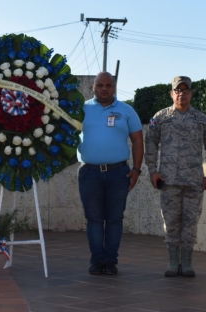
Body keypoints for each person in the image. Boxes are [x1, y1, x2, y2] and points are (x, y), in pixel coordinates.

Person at [144, 76, 206, 278]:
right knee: (170, 223)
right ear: (171, 94)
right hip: (168, 182)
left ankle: (186, 263)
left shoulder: (201, 119)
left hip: (194, 182)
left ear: (191, 93)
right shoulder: (159, 118)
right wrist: (152, 170)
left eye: (185, 90)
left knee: (190, 224)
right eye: (177, 91)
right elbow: (150, 144)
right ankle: (172, 262)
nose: (182, 94)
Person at [78, 72, 144, 275]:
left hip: (118, 173)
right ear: (93, 87)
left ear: (114, 87)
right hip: (89, 173)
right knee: (94, 219)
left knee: (115, 219)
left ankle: (111, 262)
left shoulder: (126, 110)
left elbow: (138, 141)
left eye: (108, 85)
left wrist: (136, 170)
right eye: (100, 85)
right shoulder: (82, 110)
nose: (104, 89)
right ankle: (97, 261)